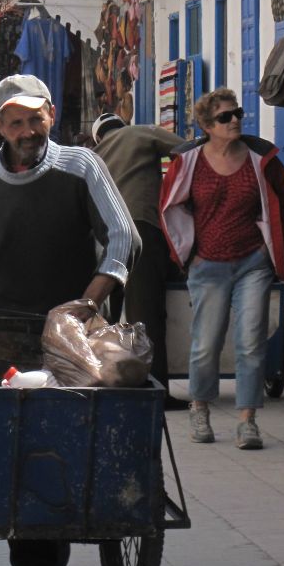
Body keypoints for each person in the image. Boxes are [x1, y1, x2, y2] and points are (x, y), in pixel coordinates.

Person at [0, 75, 139, 566]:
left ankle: (70, 526)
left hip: (75, 331)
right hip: (3, 326)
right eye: (15, 121)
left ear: (51, 113)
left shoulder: (81, 166)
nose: (27, 130)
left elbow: (123, 236)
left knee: (76, 426)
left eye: (35, 118)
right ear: (0, 126)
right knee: (21, 433)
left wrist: (89, 300)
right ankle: (35, 557)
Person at [158, 87, 284, 451]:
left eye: (237, 114)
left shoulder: (259, 157)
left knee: (251, 341)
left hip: (253, 261)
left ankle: (247, 420)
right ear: (206, 125)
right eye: (224, 117)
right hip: (208, 264)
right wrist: (188, 255)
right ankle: (199, 406)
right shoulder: (188, 162)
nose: (234, 120)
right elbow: (171, 206)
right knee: (206, 342)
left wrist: (277, 247)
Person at [92, 113, 184, 401]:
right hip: (140, 229)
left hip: (105, 239)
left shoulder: (94, 154)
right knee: (146, 313)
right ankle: (156, 392)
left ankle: (111, 377)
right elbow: (187, 149)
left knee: (108, 317)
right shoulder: (141, 133)